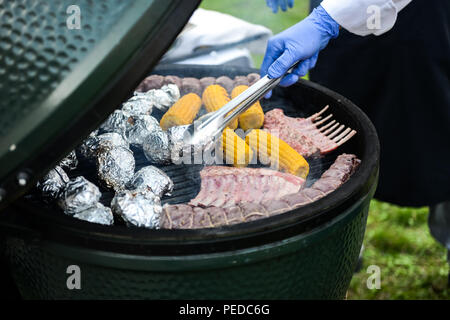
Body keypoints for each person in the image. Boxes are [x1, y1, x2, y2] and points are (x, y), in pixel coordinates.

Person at [262, 0, 450, 279]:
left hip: (423, 17)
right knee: (341, 126)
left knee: (437, 123)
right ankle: (345, 243)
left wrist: (325, 19)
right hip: (340, 22)